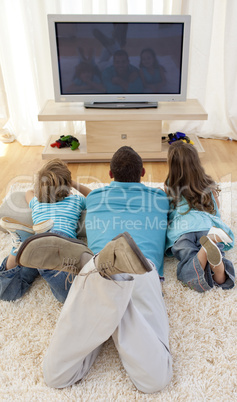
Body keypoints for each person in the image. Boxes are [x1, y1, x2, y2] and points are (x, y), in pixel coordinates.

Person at [16, 146, 173, 393]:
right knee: (155, 380)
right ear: (143, 172)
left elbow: (86, 194)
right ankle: (118, 277)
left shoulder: (95, 198)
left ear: (109, 174)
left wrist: (72, 182)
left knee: (56, 377)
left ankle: (108, 279)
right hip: (143, 269)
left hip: (95, 267)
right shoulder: (161, 199)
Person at [0, 158, 93, 303]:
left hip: (36, 242)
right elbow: (93, 197)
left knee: (9, 293)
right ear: (68, 185)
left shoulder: (37, 203)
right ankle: (49, 266)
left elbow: (28, 192)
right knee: (70, 296)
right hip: (62, 241)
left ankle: (16, 251)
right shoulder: (76, 201)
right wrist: (74, 183)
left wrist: (42, 188)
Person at [164, 141, 235, 292]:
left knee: (188, 262)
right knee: (218, 255)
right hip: (207, 226)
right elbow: (216, 209)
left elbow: (166, 213)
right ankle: (219, 272)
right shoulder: (206, 183)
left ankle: (204, 250)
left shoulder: (171, 186)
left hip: (183, 230)